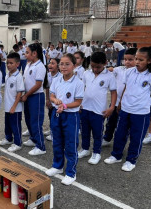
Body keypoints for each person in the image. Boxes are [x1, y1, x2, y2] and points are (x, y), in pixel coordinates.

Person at [104, 46, 151, 172]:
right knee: (120, 133)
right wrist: (120, 104)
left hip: (141, 112)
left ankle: (131, 160)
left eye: (141, 60)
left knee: (136, 137)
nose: (137, 62)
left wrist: (139, 100)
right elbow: (125, 88)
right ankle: (116, 155)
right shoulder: (129, 72)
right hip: (125, 109)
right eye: (136, 59)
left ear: (149, 61)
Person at [45, 53, 84, 185]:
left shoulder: (78, 83)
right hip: (57, 114)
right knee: (57, 141)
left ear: (74, 65)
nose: (63, 66)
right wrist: (55, 100)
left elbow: (78, 101)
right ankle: (57, 166)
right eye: (61, 64)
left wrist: (65, 105)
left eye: (67, 64)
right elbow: (52, 95)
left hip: (70, 116)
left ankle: (71, 172)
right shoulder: (56, 80)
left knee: (70, 144)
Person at [78, 52, 117, 165]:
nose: (95, 69)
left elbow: (114, 92)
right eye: (92, 66)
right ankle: (85, 149)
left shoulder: (109, 76)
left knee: (97, 132)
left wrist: (112, 107)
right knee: (84, 130)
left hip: (99, 110)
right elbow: (81, 88)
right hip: (85, 107)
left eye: (98, 67)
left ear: (105, 63)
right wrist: (79, 103)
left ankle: (96, 152)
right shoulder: (86, 73)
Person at [103, 48, 137, 146]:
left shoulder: (136, 72)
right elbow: (110, 70)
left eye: (130, 60)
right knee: (110, 122)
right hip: (115, 102)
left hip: (127, 105)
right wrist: (108, 68)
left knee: (123, 125)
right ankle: (107, 138)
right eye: (125, 59)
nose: (127, 62)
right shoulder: (119, 69)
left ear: (136, 59)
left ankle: (120, 143)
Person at [21, 43, 47, 156]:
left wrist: (26, 95)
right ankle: (33, 138)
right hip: (28, 95)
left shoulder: (40, 66)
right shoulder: (29, 64)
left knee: (35, 121)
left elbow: (38, 85)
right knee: (28, 118)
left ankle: (40, 146)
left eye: (27, 52)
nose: (25, 54)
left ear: (34, 53)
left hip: (36, 96)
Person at [0, 52, 25, 152]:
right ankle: (8, 138)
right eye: (7, 63)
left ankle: (18, 143)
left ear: (17, 64)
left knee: (15, 125)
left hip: (15, 107)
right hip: (8, 106)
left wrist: (14, 106)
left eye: (11, 63)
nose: (8, 65)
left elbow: (19, 93)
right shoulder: (7, 75)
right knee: (8, 124)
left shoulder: (18, 76)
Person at [45, 58, 61, 141]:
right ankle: (52, 130)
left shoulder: (60, 77)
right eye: (49, 63)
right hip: (51, 99)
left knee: (56, 117)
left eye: (53, 63)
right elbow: (47, 87)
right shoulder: (48, 75)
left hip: (57, 101)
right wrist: (47, 99)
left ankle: (55, 133)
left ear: (58, 67)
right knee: (50, 115)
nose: (50, 65)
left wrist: (54, 101)